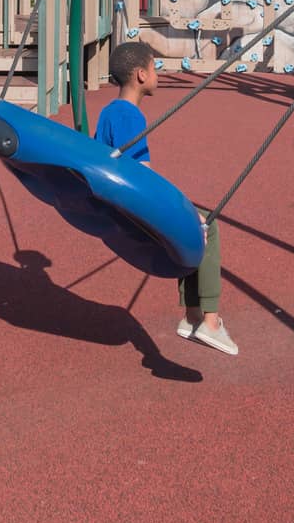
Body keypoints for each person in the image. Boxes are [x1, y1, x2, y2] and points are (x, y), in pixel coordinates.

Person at [94, 40, 238, 356]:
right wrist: (181, 210)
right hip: (132, 210)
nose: (157, 73)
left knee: (193, 225)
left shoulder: (109, 112)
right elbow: (143, 177)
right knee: (206, 227)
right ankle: (209, 321)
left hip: (116, 206)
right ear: (141, 75)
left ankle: (192, 317)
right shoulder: (130, 116)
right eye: (154, 68)